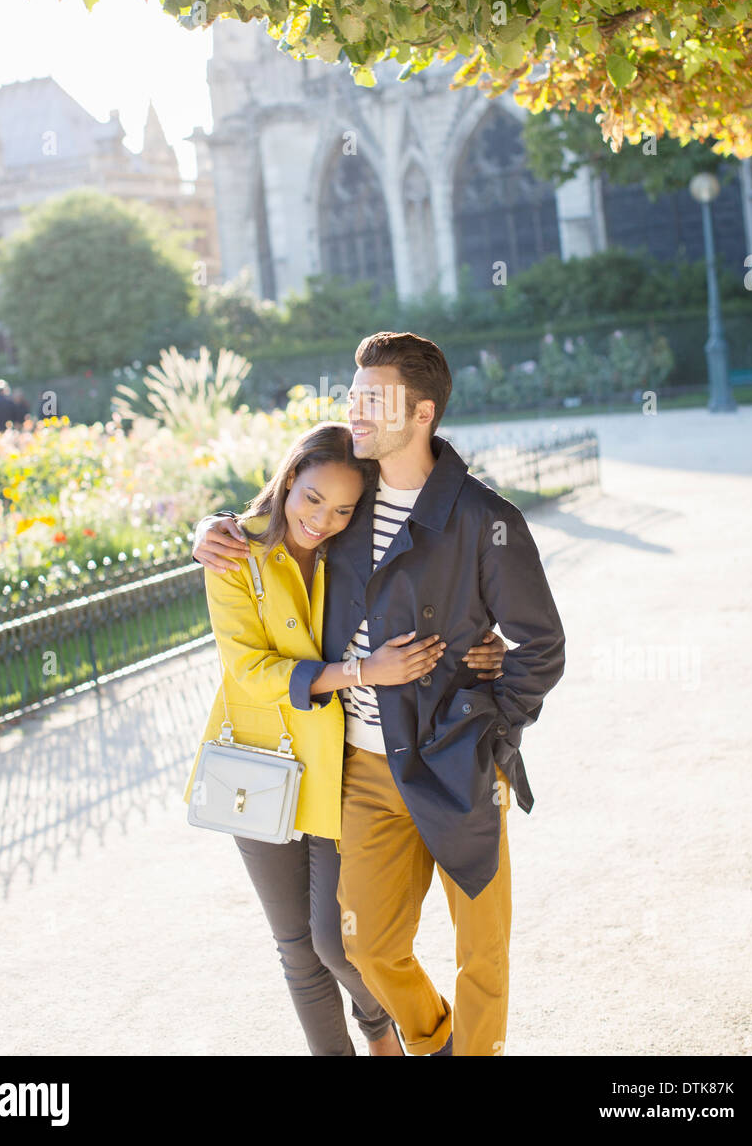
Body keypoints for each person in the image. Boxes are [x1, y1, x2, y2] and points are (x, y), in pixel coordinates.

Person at [195, 331, 566, 1057]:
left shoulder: (487, 520)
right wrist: (211, 530)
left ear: (421, 412)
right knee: (363, 946)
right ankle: (434, 1041)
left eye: (373, 398)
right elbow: (280, 525)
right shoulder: (348, 505)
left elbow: (541, 646)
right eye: (352, 394)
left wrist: (490, 726)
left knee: (481, 951)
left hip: (459, 763)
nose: (354, 409)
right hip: (363, 765)